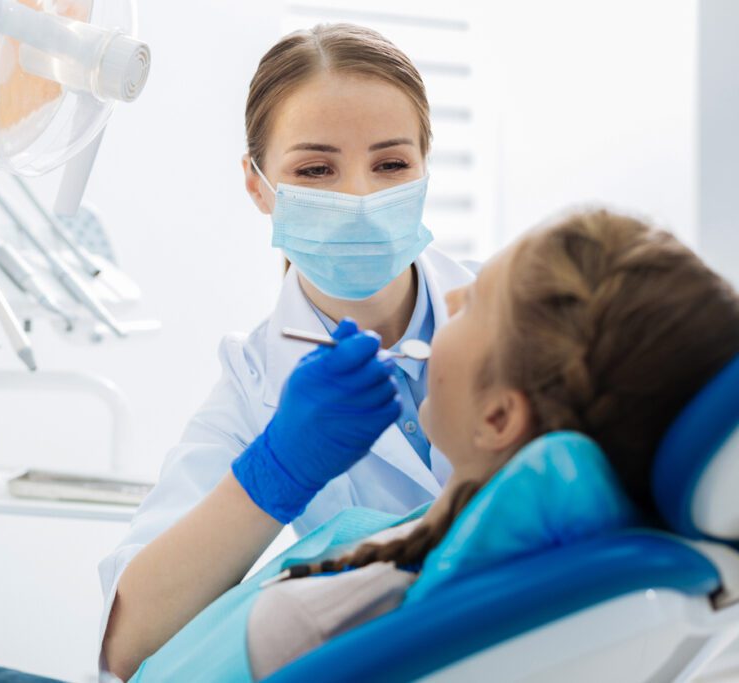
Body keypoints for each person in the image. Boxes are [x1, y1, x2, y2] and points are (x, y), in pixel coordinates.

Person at [126, 210, 739, 681]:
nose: (452, 297)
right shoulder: (616, 547)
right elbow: (127, 628)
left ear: (498, 416)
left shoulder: (319, 615)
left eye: (471, 304)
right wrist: (271, 469)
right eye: (317, 168)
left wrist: (281, 469)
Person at [101, 23, 475, 679]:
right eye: (315, 169)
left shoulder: (514, 314)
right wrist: (275, 471)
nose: (359, 196)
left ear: (424, 167)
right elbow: (130, 642)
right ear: (257, 184)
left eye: (391, 163)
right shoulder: (254, 383)